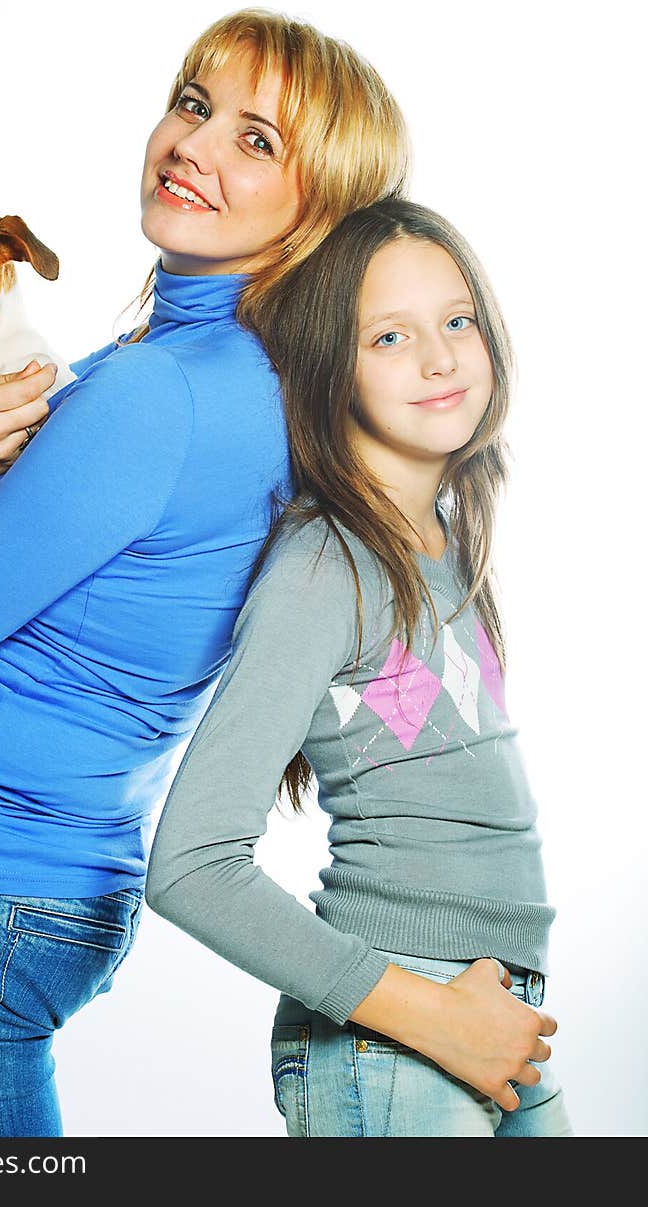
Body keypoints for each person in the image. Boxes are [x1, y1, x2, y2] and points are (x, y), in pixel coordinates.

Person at [0, 10, 409, 1137]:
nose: (196, 144)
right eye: (192, 104)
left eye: (257, 140)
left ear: (320, 206)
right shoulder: (221, 373)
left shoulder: (150, 395)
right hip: (30, 881)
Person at [145, 198, 573, 1138]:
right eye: (389, 336)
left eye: (456, 320)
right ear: (331, 371)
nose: (439, 357)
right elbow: (188, 866)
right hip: (396, 1041)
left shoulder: (446, 543)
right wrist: (435, 1020)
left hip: (498, 1022)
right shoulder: (321, 568)